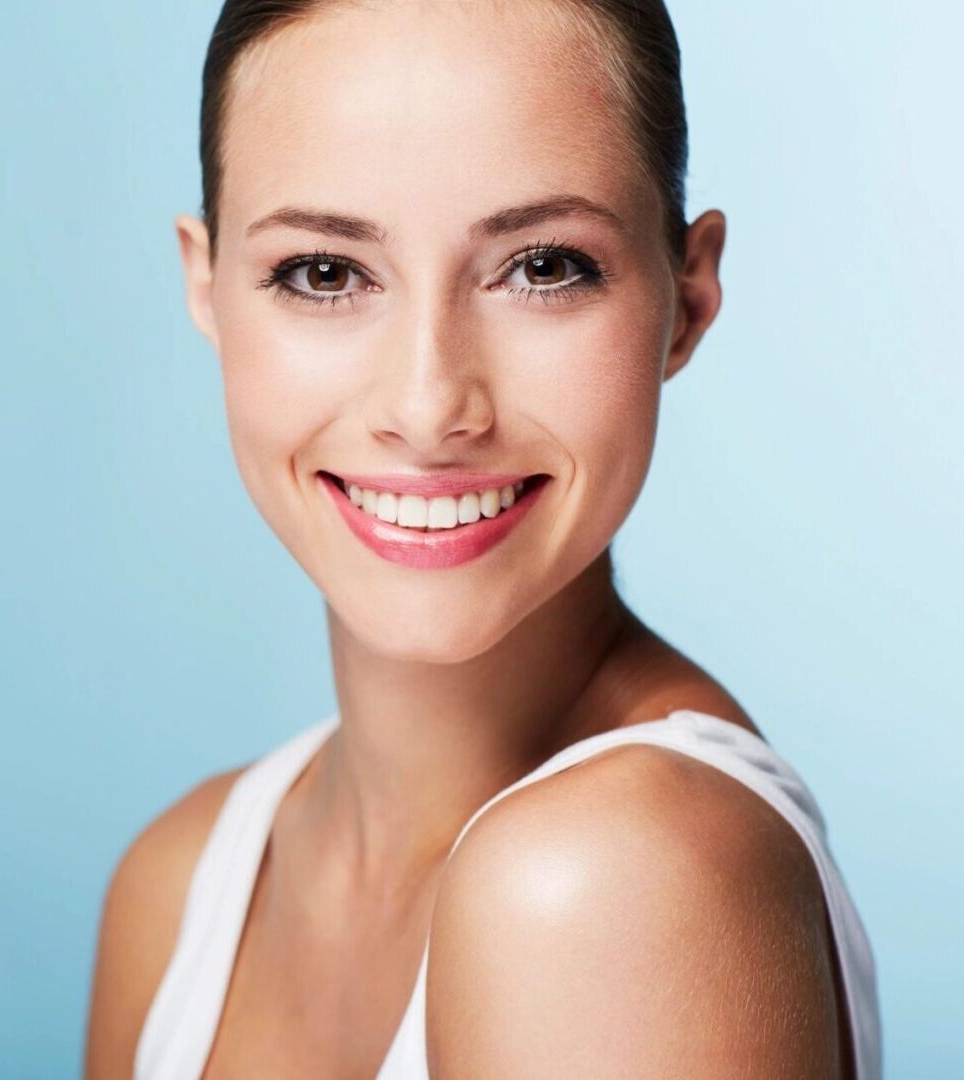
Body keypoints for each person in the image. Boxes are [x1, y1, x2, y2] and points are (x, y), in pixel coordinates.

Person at [84, 1, 881, 1076]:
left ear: (685, 301)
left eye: (542, 266)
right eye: (323, 272)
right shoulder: (181, 882)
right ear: (206, 285)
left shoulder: (612, 878)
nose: (426, 406)